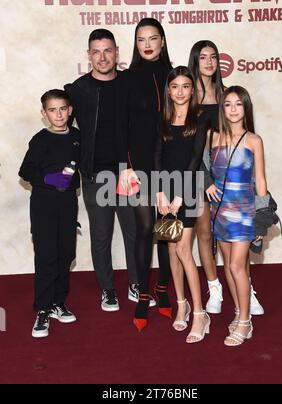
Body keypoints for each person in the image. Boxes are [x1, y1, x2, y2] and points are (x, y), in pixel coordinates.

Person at [64, 29, 139, 312]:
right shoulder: (77, 90)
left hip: (126, 174)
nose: (102, 57)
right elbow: (60, 125)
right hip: (95, 176)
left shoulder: (130, 85)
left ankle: (136, 283)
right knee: (101, 235)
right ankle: (108, 289)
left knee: (134, 232)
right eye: (96, 51)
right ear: (89, 55)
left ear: (116, 52)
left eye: (107, 50)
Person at [188, 40, 264, 315]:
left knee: (234, 237)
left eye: (213, 57)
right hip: (199, 171)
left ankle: (247, 289)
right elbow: (191, 145)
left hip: (227, 176)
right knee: (205, 233)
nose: (208, 62)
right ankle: (214, 286)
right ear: (195, 61)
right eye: (203, 57)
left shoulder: (224, 93)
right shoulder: (189, 95)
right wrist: (204, 179)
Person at [119, 18, 172, 331]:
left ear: (162, 41)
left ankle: (163, 289)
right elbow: (121, 127)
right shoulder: (127, 79)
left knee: (166, 229)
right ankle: (142, 294)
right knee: (144, 228)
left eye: (153, 38)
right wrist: (126, 166)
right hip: (138, 163)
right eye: (141, 39)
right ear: (136, 44)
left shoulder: (175, 76)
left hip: (170, 162)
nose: (148, 44)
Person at [206, 86, 267, 346]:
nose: (232, 109)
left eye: (238, 104)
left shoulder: (254, 140)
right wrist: (207, 183)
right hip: (219, 210)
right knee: (228, 266)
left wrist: (262, 219)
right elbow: (202, 169)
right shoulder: (211, 137)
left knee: (236, 266)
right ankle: (238, 312)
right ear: (222, 108)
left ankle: (244, 320)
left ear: (245, 108)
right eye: (228, 104)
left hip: (244, 211)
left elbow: (261, 181)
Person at [155, 66, 211, 343]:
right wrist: (160, 194)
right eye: (174, 86)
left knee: (184, 251)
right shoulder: (162, 118)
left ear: (192, 89)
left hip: (187, 191)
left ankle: (200, 313)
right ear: (168, 89)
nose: (179, 91)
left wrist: (180, 196)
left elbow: (195, 159)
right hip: (164, 193)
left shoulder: (199, 118)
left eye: (185, 86)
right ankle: (182, 304)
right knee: (171, 250)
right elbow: (156, 158)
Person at [19, 89, 80, 338]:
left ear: (70, 110)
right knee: (47, 257)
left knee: (66, 254)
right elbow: (25, 171)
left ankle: (57, 302)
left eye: (62, 109)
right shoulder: (40, 139)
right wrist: (50, 179)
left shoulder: (77, 136)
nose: (58, 114)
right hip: (43, 205)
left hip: (67, 205)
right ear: (44, 114)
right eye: (52, 110)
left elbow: (80, 168)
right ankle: (43, 309)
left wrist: (72, 180)